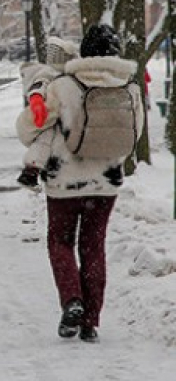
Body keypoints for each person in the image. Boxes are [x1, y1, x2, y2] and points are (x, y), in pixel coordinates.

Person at [18, 24, 143, 343]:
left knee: (60, 242)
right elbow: (135, 133)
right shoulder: (129, 88)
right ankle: (90, 321)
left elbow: (30, 129)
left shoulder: (63, 86)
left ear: (84, 51)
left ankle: (72, 299)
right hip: (105, 184)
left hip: (64, 182)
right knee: (93, 246)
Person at [15, 37, 78, 189]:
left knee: (50, 139)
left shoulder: (65, 74)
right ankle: (34, 168)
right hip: (55, 115)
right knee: (48, 137)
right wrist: (37, 100)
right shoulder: (50, 73)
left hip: (64, 114)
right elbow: (40, 84)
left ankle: (35, 168)